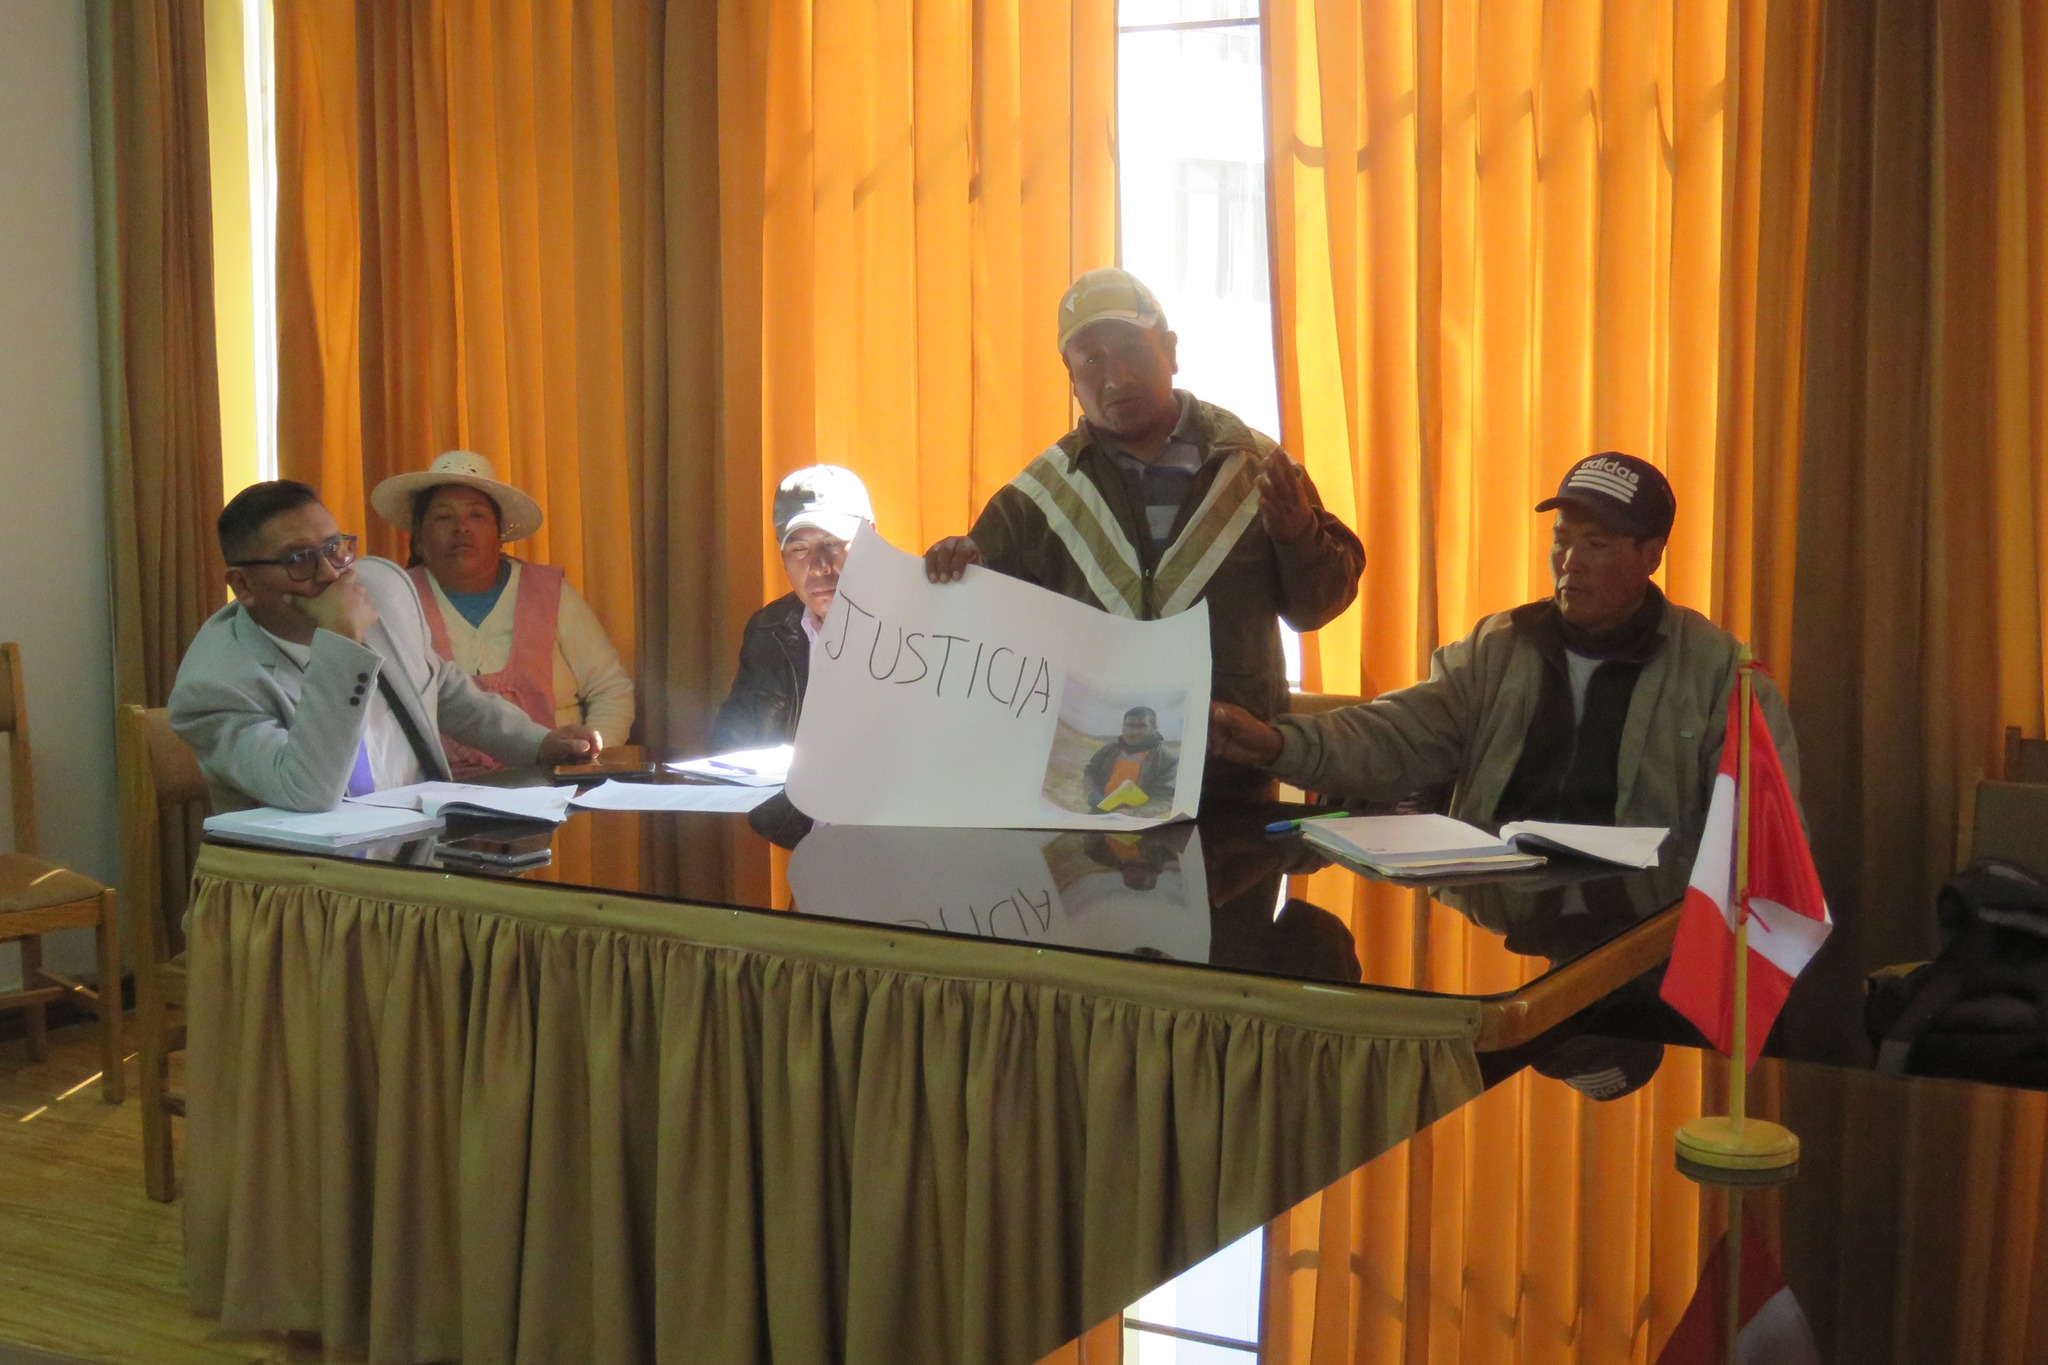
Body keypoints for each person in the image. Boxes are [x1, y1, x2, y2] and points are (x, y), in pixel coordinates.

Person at [923, 268, 1365, 801]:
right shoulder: (1036, 498)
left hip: (1232, 782)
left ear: (1171, 351)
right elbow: (982, 643)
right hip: (1087, 787)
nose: (1117, 377)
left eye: (1133, 348)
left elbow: (1316, 610)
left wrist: (1299, 537)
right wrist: (959, 568)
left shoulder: (1256, 466)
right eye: (1092, 361)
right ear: (1071, 378)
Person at [1207, 452, 1800, 839]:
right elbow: (1396, 735)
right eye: (1561, 539)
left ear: (1651, 555)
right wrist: (1276, 743)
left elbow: (1759, 840)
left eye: (1597, 544)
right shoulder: (1501, 648)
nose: (1570, 561)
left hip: (1644, 942)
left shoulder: (1720, 677)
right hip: (1503, 919)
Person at [169, 480, 601, 812]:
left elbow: (441, 689)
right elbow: (308, 790)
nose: (330, 574)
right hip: (308, 886)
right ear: (243, 585)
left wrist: (539, 744)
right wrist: (341, 642)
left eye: (335, 549)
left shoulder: (383, 590)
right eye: (298, 560)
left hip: (424, 851)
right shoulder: (215, 685)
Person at [369, 450, 634, 777]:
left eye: (477, 516)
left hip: (556, 784)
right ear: (419, 538)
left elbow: (611, 691)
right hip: (440, 793)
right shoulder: (397, 600)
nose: (461, 528)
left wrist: (586, 756)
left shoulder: (550, 592)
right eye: (443, 517)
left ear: (500, 535)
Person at [708, 465, 876, 751]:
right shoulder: (770, 630)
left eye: (832, 543)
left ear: (871, 538)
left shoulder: (918, 621)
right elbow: (732, 744)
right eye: (799, 549)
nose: (819, 567)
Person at [1082, 706, 1179, 811]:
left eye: (1141, 726)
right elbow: (1090, 771)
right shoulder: (1108, 750)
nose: (1134, 731)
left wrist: (1133, 814)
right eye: (1129, 725)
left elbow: (1166, 798)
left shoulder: (1167, 759)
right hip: (1100, 809)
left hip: (1136, 818)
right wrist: (1091, 792)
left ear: (1154, 728)